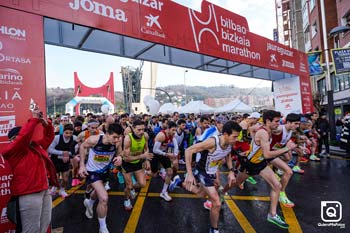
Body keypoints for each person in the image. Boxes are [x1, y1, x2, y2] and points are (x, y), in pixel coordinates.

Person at [224, 110, 297, 229]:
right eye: (276, 121)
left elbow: (253, 129)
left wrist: (252, 144)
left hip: (261, 163)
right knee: (235, 183)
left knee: (277, 186)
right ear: (268, 121)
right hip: (250, 164)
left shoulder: (269, 129)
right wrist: (286, 149)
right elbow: (268, 154)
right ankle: (221, 193)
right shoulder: (263, 132)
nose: (278, 124)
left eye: (279, 121)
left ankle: (272, 215)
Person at [171, 121, 240, 233]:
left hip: (212, 172)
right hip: (202, 171)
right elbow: (189, 150)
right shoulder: (212, 142)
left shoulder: (229, 143)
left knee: (200, 193)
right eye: (234, 136)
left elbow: (228, 155)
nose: (236, 139)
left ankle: (179, 182)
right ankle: (214, 229)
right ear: (226, 134)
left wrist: (231, 171)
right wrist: (189, 173)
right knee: (217, 202)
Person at [1, 106, 58, 233]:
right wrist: (33, 119)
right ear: (12, 140)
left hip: (44, 190)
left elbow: (49, 137)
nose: (17, 139)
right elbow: (23, 138)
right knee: (31, 230)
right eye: (14, 138)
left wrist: (46, 124)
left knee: (44, 225)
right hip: (29, 193)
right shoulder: (10, 151)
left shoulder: (35, 146)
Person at [79, 123, 124, 233]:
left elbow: (120, 152)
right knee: (104, 198)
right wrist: (82, 165)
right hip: (92, 172)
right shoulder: (94, 140)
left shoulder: (118, 142)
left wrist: (120, 157)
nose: (116, 140)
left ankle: (89, 202)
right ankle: (103, 228)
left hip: (104, 171)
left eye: (118, 137)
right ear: (107, 134)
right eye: (114, 137)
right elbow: (82, 146)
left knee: (98, 192)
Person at [121, 119, 153, 210]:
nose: (142, 132)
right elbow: (126, 158)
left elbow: (146, 149)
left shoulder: (145, 136)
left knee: (142, 184)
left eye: (143, 129)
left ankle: (131, 188)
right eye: (139, 130)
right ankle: (126, 200)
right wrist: (142, 156)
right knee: (128, 185)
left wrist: (146, 159)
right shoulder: (128, 138)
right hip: (127, 164)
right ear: (133, 129)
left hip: (138, 162)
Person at [48, 123, 77, 198]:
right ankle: (54, 187)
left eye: (70, 133)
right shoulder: (57, 138)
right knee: (55, 178)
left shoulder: (74, 138)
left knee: (66, 179)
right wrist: (62, 153)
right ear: (63, 132)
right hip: (55, 160)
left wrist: (67, 154)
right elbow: (50, 149)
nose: (68, 135)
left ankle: (62, 190)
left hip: (66, 161)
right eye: (66, 133)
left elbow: (75, 150)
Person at [152, 121, 178, 201]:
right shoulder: (161, 135)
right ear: (168, 129)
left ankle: (163, 192)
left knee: (170, 172)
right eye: (173, 130)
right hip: (156, 154)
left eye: (175, 130)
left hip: (164, 154)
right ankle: (147, 171)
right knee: (154, 175)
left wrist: (175, 154)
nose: (174, 132)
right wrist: (167, 154)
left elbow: (176, 144)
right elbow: (155, 150)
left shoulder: (172, 135)